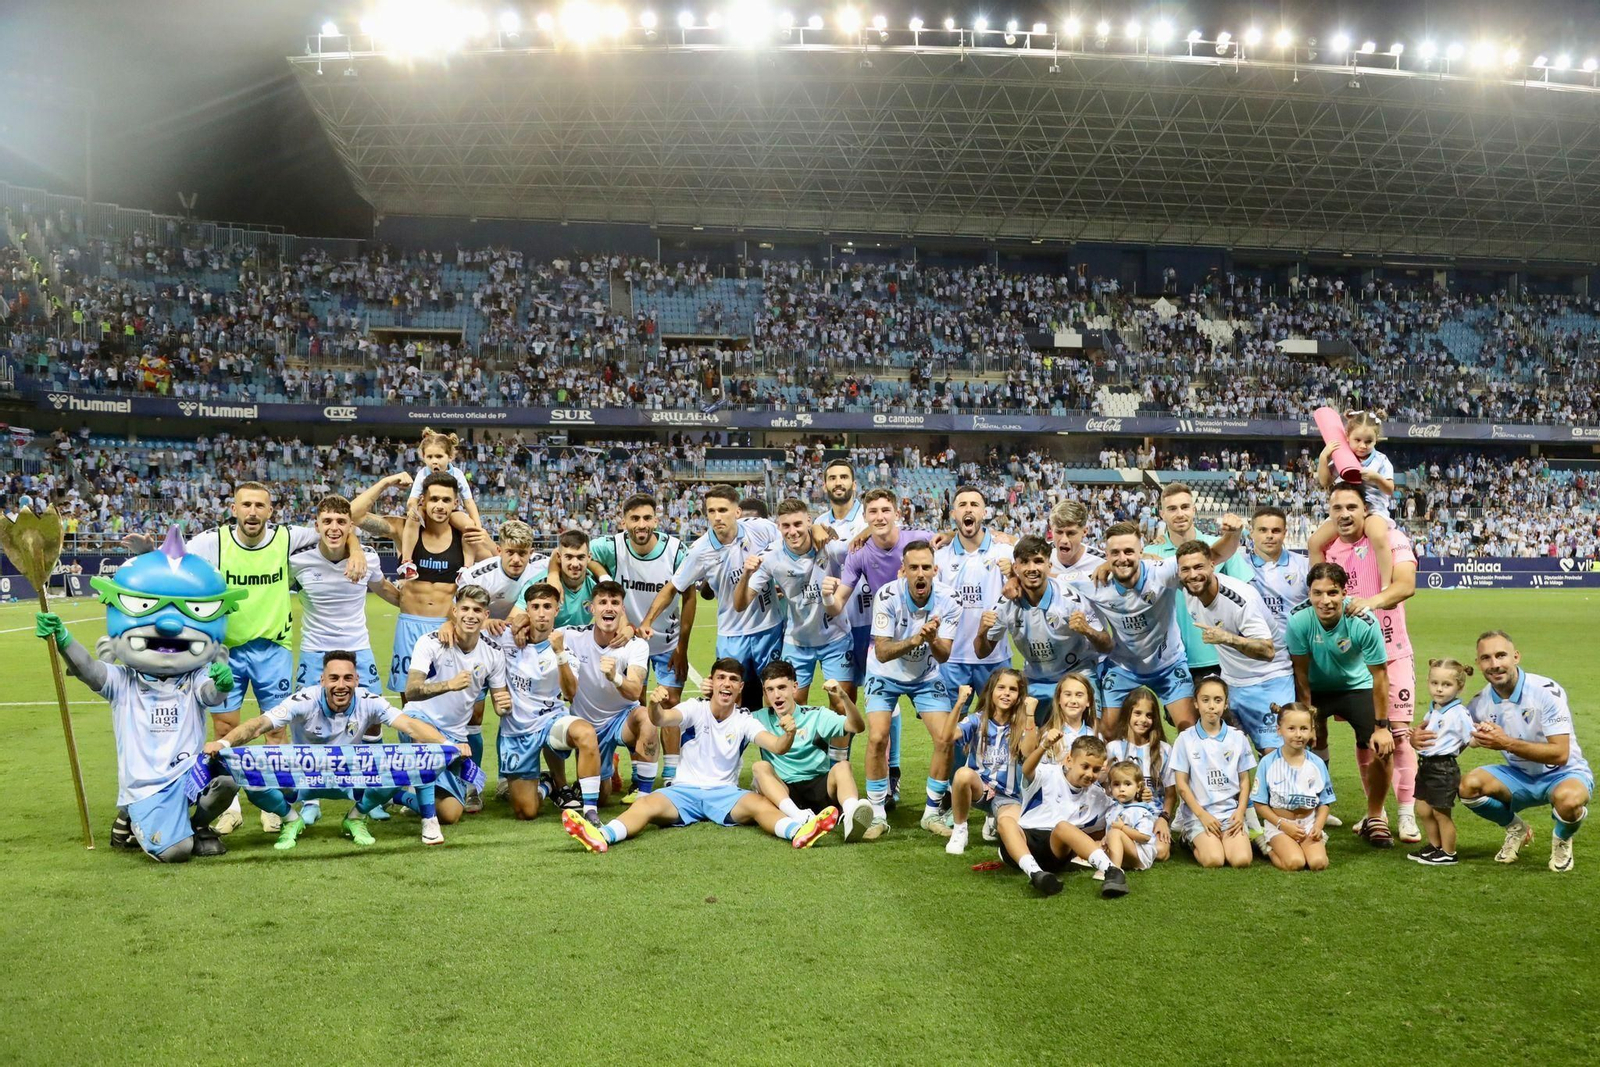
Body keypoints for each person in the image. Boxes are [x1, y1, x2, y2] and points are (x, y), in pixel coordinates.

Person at [127, 481, 360, 834]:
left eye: (259, 506)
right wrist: (150, 554)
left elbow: (339, 524)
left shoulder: (286, 537)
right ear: (233, 509)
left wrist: (356, 549)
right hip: (225, 651)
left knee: (276, 729)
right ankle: (231, 805)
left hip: (273, 648)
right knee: (224, 729)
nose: (252, 512)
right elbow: (173, 562)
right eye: (245, 505)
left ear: (271, 511)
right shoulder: (213, 541)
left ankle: (275, 805)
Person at [37, 529, 243, 861]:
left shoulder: (193, 678)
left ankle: (198, 824)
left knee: (226, 785)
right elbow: (90, 669)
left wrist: (223, 682)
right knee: (176, 852)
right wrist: (62, 639)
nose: (171, 628)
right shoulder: (123, 680)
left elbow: (212, 695)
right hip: (147, 785)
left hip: (188, 774)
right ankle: (133, 815)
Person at [560, 663, 838, 852]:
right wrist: (655, 705)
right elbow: (662, 719)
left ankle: (798, 832)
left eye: (733, 680)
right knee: (644, 806)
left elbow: (777, 746)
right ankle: (602, 836)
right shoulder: (694, 707)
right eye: (721, 678)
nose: (726, 684)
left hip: (726, 795)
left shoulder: (745, 720)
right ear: (712, 683)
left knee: (759, 805)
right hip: (683, 793)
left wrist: (788, 734)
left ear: (741, 688)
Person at [204, 651, 449, 849]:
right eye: (333, 678)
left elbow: (410, 725)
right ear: (322, 681)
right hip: (303, 781)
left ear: (356, 680)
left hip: (351, 779)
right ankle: (291, 820)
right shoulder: (304, 701)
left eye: (347, 678)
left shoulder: (368, 700)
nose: (340, 685)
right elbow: (258, 726)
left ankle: (356, 817)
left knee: (400, 765)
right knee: (251, 774)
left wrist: (448, 746)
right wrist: (223, 743)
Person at [1311, 483, 1420, 843]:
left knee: (1399, 735)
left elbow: (1405, 586)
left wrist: (1369, 603)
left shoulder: (1392, 537)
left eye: (1351, 507)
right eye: (1336, 507)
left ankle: (1406, 814)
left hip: (1392, 651)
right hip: (1351, 661)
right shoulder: (1328, 549)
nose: (1343, 514)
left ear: (1366, 510)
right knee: (1366, 738)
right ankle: (1378, 814)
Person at [827, 488, 938, 805]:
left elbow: (953, 540)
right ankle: (889, 780)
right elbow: (840, 601)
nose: (879, 517)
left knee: (943, 727)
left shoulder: (919, 538)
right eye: (872, 512)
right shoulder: (859, 552)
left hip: (927, 638)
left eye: (885, 510)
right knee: (885, 711)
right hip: (883, 637)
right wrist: (826, 598)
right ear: (865, 516)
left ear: (897, 514)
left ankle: (946, 792)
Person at [351, 471, 496, 704]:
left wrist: (486, 539)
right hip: (410, 626)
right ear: (423, 501)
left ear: (456, 504)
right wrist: (385, 482)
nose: (440, 505)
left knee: (455, 704)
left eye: (446, 500)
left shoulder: (465, 538)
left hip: (449, 628)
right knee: (410, 700)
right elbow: (354, 515)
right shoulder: (403, 529)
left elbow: (498, 567)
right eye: (434, 499)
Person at [641, 484, 786, 713]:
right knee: (731, 702)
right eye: (711, 511)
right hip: (731, 634)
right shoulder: (700, 551)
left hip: (769, 628)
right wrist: (647, 621)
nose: (717, 517)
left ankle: (775, 748)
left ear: (737, 512)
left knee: (775, 696)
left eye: (723, 510)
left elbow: (789, 547)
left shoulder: (762, 529)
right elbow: (673, 587)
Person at [586, 494, 696, 793]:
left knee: (669, 705)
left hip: (667, 641)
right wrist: (604, 574)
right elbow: (585, 555)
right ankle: (640, 775)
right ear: (624, 522)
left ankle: (672, 775)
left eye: (647, 518)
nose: (641, 524)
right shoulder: (612, 545)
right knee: (635, 706)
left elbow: (689, 596)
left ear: (656, 520)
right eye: (634, 519)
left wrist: (683, 647)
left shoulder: (675, 550)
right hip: (628, 641)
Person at [1460, 632, 1591, 874]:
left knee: (1570, 801)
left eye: (1501, 655)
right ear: (1478, 664)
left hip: (1564, 773)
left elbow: (1560, 754)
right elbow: (1457, 739)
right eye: (1486, 658)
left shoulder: (1545, 692)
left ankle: (1562, 839)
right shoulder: (1479, 702)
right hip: (1519, 775)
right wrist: (1422, 738)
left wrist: (1506, 742)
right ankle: (1517, 829)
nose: (1495, 664)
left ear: (1516, 656)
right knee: (1469, 787)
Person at [1286, 562, 1395, 847]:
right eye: (1317, 593)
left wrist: (1382, 726)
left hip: (1356, 687)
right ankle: (1315, 808)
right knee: (1305, 741)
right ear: (1308, 594)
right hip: (1317, 689)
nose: (1325, 601)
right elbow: (1300, 673)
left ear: (1345, 592)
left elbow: (1380, 676)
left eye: (1332, 593)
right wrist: (1308, 720)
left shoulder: (1363, 621)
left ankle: (1375, 816)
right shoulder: (1298, 620)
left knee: (1383, 746)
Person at [395, 584, 511, 844]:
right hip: (420, 723)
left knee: (451, 814)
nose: (471, 615)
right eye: (466, 609)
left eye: (478, 610)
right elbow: (411, 691)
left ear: (485, 615)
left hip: (456, 735)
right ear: (455, 611)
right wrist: (448, 685)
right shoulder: (430, 642)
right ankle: (428, 819)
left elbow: (499, 701)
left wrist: (504, 704)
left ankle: (400, 793)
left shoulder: (493, 652)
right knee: (416, 732)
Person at [861, 539, 961, 838]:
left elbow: (943, 655)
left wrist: (931, 640)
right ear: (903, 571)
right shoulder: (887, 595)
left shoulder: (949, 599)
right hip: (884, 672)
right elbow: (881, 651)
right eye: (913, 567)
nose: (920, 573)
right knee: (878, 737)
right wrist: (916, 640)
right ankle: (878, 814)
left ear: (935, 570)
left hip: (926, 677)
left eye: (926, 567)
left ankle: (931, 814)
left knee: (946, 738)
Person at [455, 519, 544, 804]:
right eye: (510, 552)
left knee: (513, 714)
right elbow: (456, 610)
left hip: (519, 651)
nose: (517, 559)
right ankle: (472, 785)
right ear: (498, 549)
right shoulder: (479, 575)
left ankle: (508, 777)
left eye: (523, 552)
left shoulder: (543, 566)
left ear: (531, 551)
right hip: (481, 649)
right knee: (474, 715)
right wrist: (485, 620)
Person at [1175, 540, 1292, 759]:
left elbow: (1268, 651)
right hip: (1233, 683)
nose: (1193, 574)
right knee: (1223, 754)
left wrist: (1227, 638)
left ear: (1212, 565)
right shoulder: (1189, 589)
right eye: (1186, 569)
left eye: (1199, 567)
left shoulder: (1240, 600)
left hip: (1268, 680)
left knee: (1275, 755)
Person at [977, 535, 1109, 722]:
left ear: (1049, 566)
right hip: (1035, 680)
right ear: (1016, 568)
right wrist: (981, 632)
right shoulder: (1005, 603)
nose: (1032, 569)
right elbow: (982, 652)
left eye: (1038, 561)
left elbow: (1107, 645)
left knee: (1089, 738)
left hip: (1077, 674)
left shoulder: (1070, 600)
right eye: (1025, 562)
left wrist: (1087, 629)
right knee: (1022, 739)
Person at [734, 499, 852, 704]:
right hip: (797, 640)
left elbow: (862, 553)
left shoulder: (831, 546)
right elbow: (740, 604)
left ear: (808, 521)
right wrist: (745, 575)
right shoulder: (770, 557)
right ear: (778, 526)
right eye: (786, 526)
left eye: (798, 524)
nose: (792, 531)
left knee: (840, 703)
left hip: (836, 637)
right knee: (792, 704)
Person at [1080, 522, 1196, 730]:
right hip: (1123, 666)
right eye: (1115, 552)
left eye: (1128, 551)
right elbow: (1051, 579)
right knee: (1105, 732)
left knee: (1189, 730)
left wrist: (1232, 535)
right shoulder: (1093, 582)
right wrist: (1016, 580)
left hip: (1168, 665)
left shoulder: (1161, 572)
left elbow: (1209, 556)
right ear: (1105, 554)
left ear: (1141, 551)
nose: (1122, 557)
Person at [557, 580, 656, 818]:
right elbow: (538, 626)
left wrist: (615, 678)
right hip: (587, 725)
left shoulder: (636, 645)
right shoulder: (571, 636)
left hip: (621, 720)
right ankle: (608, 767)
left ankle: (644, 798)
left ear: (623, 609)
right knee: (602, 796)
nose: (608, 608)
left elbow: (634, 692)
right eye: (602, 602)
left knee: (648, 717)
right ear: (591, 608)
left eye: (615, 603)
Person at [748, 662, 872, 841]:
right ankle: (800, 817)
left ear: (794, 687)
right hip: (785, 792)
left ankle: (851, 815)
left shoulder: (816, 715)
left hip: (819, 787)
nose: (777, 695)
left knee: (843, 766)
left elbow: (856, 726)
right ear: (765, 693)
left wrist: (843, 697)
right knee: (760, 767)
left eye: (782, 687)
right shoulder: (758, 718)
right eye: (770, 689)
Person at [289, 495, 394, 698]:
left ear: (351, 527)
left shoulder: (369, 558)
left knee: (373, 719)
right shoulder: (297, 561)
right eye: (327, 521)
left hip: (358, 648)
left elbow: (385, 590)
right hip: (314, 650)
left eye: (341, 521)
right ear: (317, 526)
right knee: (305, 715)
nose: (334, 528)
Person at [1000, 734, 1129, 898]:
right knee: (1006, 821)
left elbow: (1119, 815)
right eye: (1085, 766)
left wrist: (1142, 799)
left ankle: (1112, 871)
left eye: (1096, 770)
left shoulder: (1098, 796)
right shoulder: (1047, 773)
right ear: (1069, 760)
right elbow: (1026, 769)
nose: (1090, 774)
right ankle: (1036, 874)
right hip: (1023, 840)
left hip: (1056, 849)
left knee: (1063, 826)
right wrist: (1043, 746)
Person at [1142, 484, 1247, 682]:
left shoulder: (1220, 546)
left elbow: (1245, 596)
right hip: (1170, 658)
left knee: (1221, 713)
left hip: (1219, 654)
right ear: (1162, 514)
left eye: (1184, 507)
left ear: (1194, 510)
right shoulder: (1150, 554)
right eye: (1172, 509)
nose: (1180, 514)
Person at [497, 584, 572, 821]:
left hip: (550, 719)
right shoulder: (506, 637)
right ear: (526, 609)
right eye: (535, 607)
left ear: (557, 610)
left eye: (547, 607)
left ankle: (577, 795)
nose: (541, 613)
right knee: (525, 812)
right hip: (517, 728)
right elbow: (474, 629)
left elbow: (571, 693)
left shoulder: (565, 640)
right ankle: (546, 785)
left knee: (583, 731)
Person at [934, 486, 1015, 699]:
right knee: (948, 728)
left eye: (974, 505)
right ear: (953, 514)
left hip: (994, 657)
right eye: (962, 505)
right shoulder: (939, 556)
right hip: (950, 659)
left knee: (998, 726)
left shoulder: (1005, 551)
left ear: (984, 513)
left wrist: (1014, 573)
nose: (968, 509)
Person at [946, 668, 1034, 855]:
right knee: (962, 774)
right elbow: (947, 737)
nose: (1006, 693)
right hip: (980, 789)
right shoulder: (977, 720)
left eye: (1012, 689)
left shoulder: (1022, 724)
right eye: (1001, 687)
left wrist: (1030, 715)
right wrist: (960, 703)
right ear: (991, 691)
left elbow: (1028, 751)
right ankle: (960, 830)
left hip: (1008, 796)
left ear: (1019, 696)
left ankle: (994, 820)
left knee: (1017, 835)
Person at [1171, 676, 1256, 869]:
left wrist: (1240, 812)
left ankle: (1229, 838)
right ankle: (1188, 837)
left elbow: (1244, 781)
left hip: (1230, 814)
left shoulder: (1238, 738)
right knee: (1214, 860)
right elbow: (1182, 786)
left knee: (1241, 860)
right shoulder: (1185, 739)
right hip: (1199, 815)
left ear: (1226, 704)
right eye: (1205, 700)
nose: (1211, 706)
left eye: (1218, 700)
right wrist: (1203, 815)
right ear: (1195, 702)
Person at [1249, 703, 1334, 872]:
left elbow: (1325, 802)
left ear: (1311, 730)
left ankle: (1305, 847)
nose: (1298, 734)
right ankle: (1268, 848)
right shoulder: (1268, 762)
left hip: (1308, 824)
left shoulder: (1316, 763)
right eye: (1291, 729)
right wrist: (1283, 825)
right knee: (1295, 863)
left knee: (1318, 864)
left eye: (1304, 729)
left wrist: (1318, 826)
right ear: (1279, 730)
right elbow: (1259, 804)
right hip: (1280, 825)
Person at [1408, 658, 1475, 866]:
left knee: (1440, 811)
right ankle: (1435, 846)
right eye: (1434, 683)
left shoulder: (1459, 713)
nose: (1439, 689)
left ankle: (1449, 852)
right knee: (1422, 808)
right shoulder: (1433, 709)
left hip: (1443, 768)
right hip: (1426, 765)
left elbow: (1470, 739)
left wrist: (1482, 735)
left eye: (1447, 685)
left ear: (1459, 686)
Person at [813, 459, 870, 698]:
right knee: (842, 697)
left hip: (870, 617)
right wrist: (810, 528)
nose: (839, 483)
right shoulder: (819, 522)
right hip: (838, 623)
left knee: (882, 694)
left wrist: (871, 530)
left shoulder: (869, 518)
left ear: (854, 484)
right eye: (833, 478)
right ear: (825, 485)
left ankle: (889, 739)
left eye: (844, 477)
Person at [397, 428, 482, 581]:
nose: (434, 461)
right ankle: (407, 563)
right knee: (413, 518)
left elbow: (469, 502)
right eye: (429, 457)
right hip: (426, 510)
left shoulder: (457, 474)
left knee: (469, 525)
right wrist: (412, 509)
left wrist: (478, 526)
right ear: (423, 457)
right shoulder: (423, 473)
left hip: (452, 511)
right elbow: (413, 499)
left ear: (450, 457)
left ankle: (467, 568)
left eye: (439, 456)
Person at [1106, 688, 1175, 861]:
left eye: (1149, 715)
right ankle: (1124, 847)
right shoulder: (1113, 748)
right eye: (1137, 713)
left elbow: (1171, 794)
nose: (1143, 720)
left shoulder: (1164, 750)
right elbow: (1105, 789)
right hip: (1120, 813)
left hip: (1152, 814)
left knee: (1160, 852)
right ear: (1127, 714)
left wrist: (1164, 819)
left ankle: (1121, 852)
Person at [1313, 410, 1396, 544]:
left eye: (1368, 441)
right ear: (1347, 436)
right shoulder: (1343, 457)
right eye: (1357, 440)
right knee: (1314, 542)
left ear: (1376, 440)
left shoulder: (1381, 460)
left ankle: (1384, 566)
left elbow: (1389, 489)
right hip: (1346, 511)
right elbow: (1324, 482)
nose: (1362, 446)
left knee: (1378, 537)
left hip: (1373, 510)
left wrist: (1377, 478)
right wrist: (1323, 458)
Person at [1102, 760, 1160, 875]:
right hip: (1125, 852)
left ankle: (1115, 871)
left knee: (1115, 833)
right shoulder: (1113, 808)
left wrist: (1122, 828)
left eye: (1127, 784)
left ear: (1138, 787)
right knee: (1099, 842)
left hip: (1140, 854)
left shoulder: (1141, 811)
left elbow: (1145, 837)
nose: (1121, 789)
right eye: (1116, 784)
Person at [1047, 499, 1104, 582]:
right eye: (1059, 532)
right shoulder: (1036, 554)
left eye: (1071, 533)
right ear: (1052, 530)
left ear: (1084, 532)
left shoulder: (1101, 561)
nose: (1064, 540)